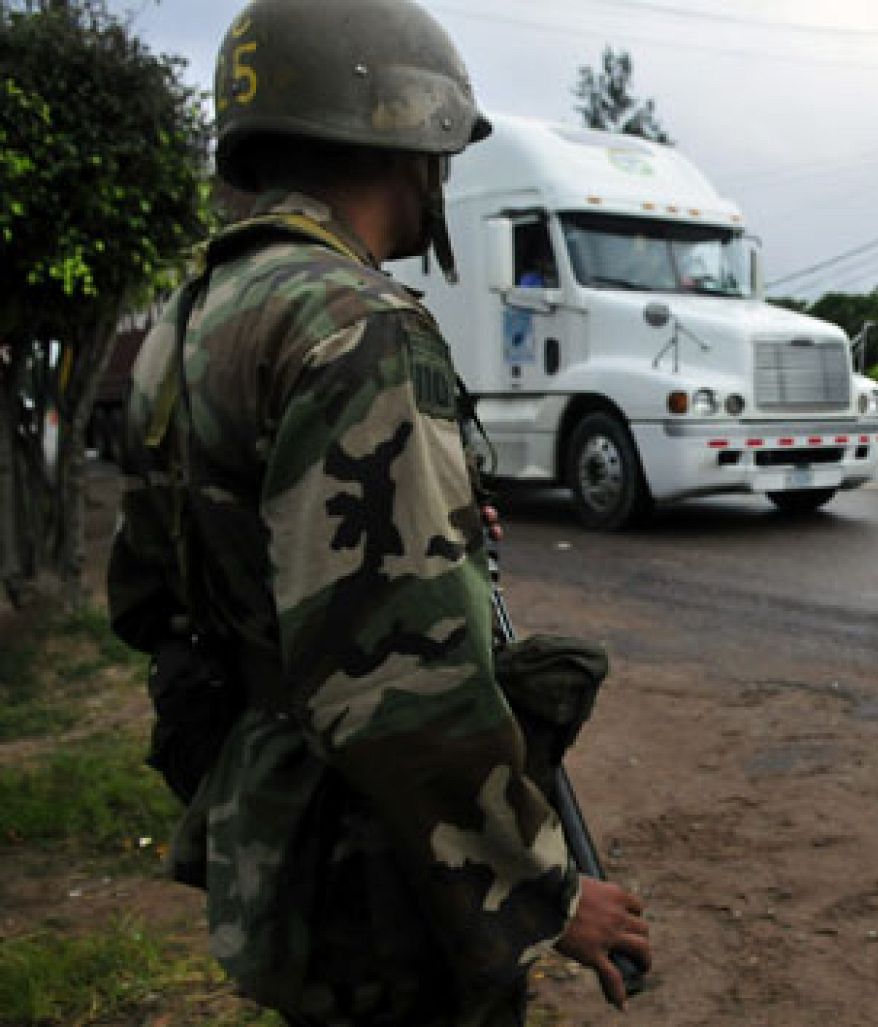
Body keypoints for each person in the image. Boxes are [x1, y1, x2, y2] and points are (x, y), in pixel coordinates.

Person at [105, 1, 648, 1023]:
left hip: (280, 816)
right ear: (411, 136)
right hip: (380, 860)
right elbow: (404, 687)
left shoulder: (190, 318)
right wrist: (544, 890)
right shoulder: (355, 323)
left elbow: (149, 594)